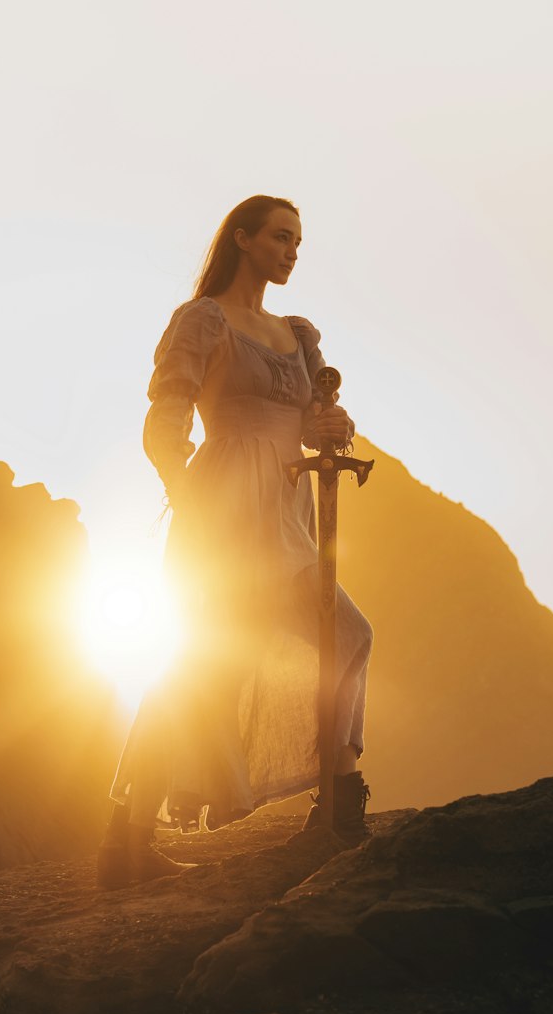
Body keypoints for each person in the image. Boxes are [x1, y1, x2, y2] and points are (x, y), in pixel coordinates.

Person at [98, 195, 373, 888]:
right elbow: (164, 423)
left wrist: (330, 431)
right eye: (281, 237)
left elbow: (307, 428)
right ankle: (128, 841)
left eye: (299, 241)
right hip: (222, 507)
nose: (292, 250)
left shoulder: (298, 334)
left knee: (344, 635)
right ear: (243, 239)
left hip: (286, 509)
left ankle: (337, 803)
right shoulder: (203, 320)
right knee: (204, 668)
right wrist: (190, 498)